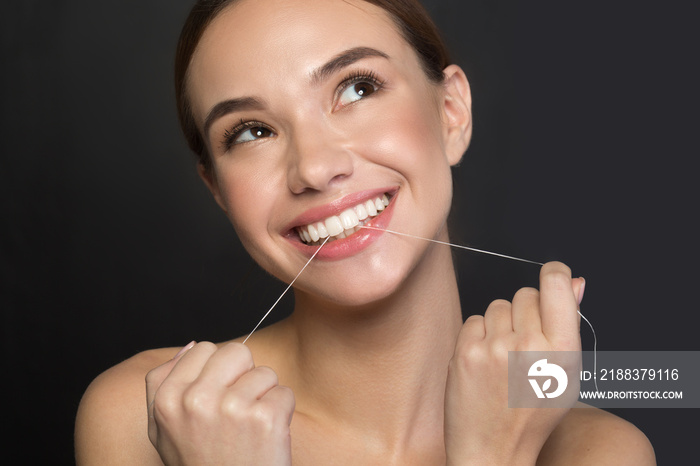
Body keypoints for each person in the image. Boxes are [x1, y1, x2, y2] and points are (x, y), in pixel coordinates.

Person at [75, 0, 655, 464]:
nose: (315, 167)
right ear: (218, 190)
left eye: (357, 88)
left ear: (451, 111)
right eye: (251, 131)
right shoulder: (146, 417)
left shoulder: (595, 453)